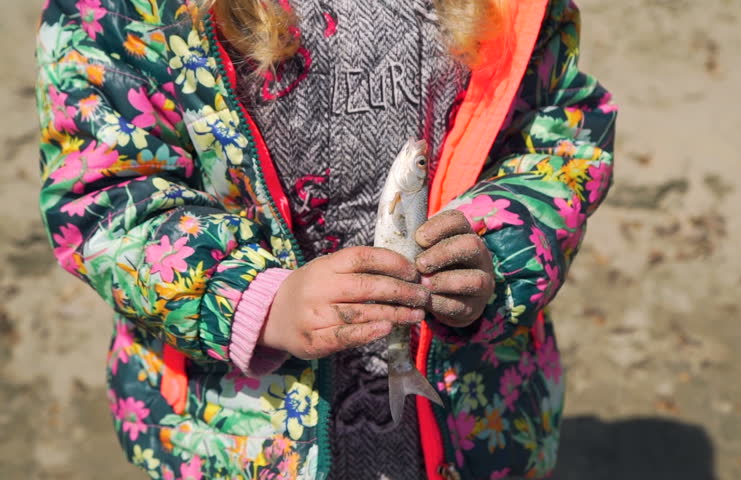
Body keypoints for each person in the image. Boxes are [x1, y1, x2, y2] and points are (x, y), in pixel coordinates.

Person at [35, 0, 616, 478]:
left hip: (466, 408)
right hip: (241, 431)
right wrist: (255, 302)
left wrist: (500, 247)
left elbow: (558, 139)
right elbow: (108, 196)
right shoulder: (119, 12)